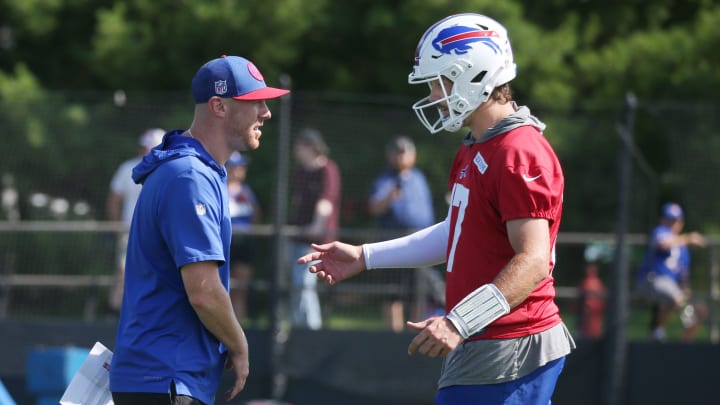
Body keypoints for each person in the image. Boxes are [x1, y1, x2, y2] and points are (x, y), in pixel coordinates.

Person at [298, 13, 575, 404]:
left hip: (510, 343)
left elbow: (533, 260)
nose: (432, 96)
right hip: (486, 339)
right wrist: (365, 256)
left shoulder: (519, 152)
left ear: (473, 75)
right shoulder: (476, 145)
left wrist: (460, 321)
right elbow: (456, 234)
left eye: (438, 82)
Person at [109, 54, 289, 405]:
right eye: (255, 101)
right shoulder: (190, 176)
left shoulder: (191, 170)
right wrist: (239, 345)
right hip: (167, 378)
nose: (266, 112)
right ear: (219, 106)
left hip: (161, 377)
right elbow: (203, 291)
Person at [367, 135, 437, 332]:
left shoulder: (419, 178)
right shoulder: (384, 179)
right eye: (397, 153)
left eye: (405, 152)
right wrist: (389, 197)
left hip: (422, 244)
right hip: (394, 244)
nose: (401, 157)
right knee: (393, 294)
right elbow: (373, 208)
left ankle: (414, 335)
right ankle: (394, 337)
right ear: (390, 156)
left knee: (418, 294)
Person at [287, 128, 341, 330]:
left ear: (311, 147)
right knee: (294, 286)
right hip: (296, 237)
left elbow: (325, 202)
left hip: (316, 242)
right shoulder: (300, 171)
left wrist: (317, 226)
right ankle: (296, 328)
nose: (296, 151)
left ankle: (312, 331)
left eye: (299, 147)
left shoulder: (328, 169)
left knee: (304, 285)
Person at [106, 127, 165, 312]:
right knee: (124, 273)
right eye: (145, 147)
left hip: (158, 235)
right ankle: (116, 315)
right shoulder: (127, 168)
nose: (147, 151)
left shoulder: (168, 170)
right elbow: (114, 200)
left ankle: (141, 315)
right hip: (130, 231)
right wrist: (117, 228)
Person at [636, 202, 707, 342]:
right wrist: (688, 238)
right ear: (662, 219)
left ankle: (684, 343)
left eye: (675, 221)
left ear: (681, 223)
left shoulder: (683, 250)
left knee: (700, 310)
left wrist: (686, 290)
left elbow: (683, 276)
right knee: (675, 296)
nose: (672, 224)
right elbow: (663, 244)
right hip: (651, 280)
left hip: (671, 288)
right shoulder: (660, 231)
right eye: (668, 220)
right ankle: (658, 331)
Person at [226, 151, 262, 324]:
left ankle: (238, 329)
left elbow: (256, 214)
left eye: (241, 167)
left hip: (244, 243)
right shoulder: (218, 188)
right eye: (236, 167)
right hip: (224, 243)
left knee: (240, 290)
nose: (239, 170)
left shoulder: (247, 191)